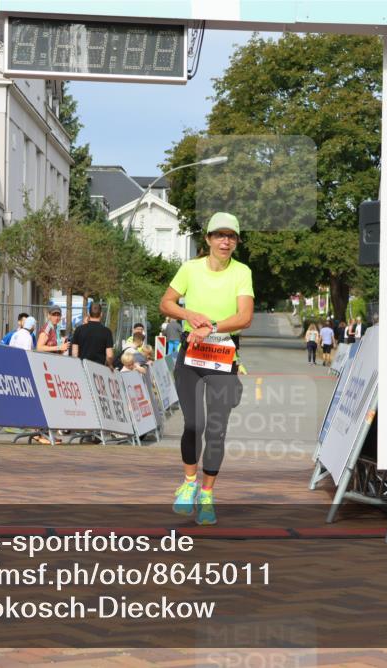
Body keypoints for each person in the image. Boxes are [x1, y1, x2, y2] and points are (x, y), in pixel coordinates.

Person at [159, 212, 253, 526]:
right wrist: (191, 314)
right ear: (209, 239)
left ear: (236, 241)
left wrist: (211, 326)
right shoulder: (190, 268)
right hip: (191, 356)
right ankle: (189, 483)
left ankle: (208, 492)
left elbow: (244, 317)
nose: (225, 241)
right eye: (219, 235)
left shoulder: (242, 272)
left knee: (215, 430)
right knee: (194, 424)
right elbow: (167, 303)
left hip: (224, 357)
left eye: (231, 236)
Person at [71, 302, 115, 369]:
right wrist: (109, 364)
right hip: (99, 368)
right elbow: (109, 356)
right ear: (101, 314)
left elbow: (74, 353)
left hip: (83, 367)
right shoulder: (107, 332)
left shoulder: (79, 330)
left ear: (89, 314)